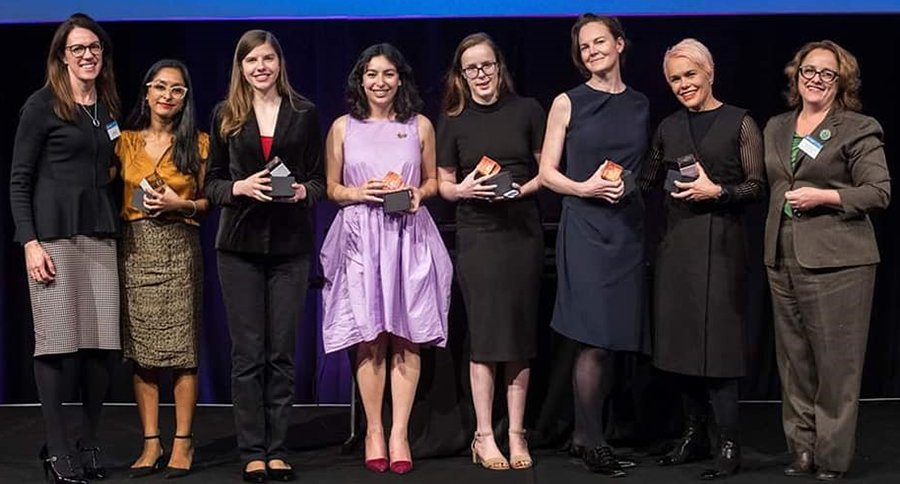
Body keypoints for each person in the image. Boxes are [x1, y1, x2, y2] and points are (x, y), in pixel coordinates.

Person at [320, 43, 452, 475]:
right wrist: (361, 192)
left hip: (407, 236)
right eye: (372, 74)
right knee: (370, 335)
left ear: (400, 79)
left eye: (388, 74)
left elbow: (432, 180)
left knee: (407, 334)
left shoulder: (420, 126)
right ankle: (374, 429)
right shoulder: (343, 127)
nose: (380, 82)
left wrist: (418, 192)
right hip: (361, 237)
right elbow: (332, 188)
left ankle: (399, 432)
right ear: (361, 79)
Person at [763, 40, 890, 481]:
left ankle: (832, 458)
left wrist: (827, 196)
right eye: (808, 71)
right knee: (795, 362)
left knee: (836, 365)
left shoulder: (857, 127)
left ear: (841, 82)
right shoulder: (777, 127)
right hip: (782, 257)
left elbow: (878, 192)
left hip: (840, 262)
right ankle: (801, 450)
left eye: (827, 73)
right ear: (796, 76)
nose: (815, 79)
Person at [639, 38, 765, 480]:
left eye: (689, 75)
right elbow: (647, 180)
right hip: (677, 247)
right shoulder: (669, 126)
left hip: (722, 245)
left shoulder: (740, 123)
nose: (682, 85)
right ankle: (694, 436)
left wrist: (720, 192)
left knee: (719, 346)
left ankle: (728, 442)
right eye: (674, 79)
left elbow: (757, 186)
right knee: (681, 345)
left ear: (709, 72)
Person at [204, 29, 325, 483]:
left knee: (281, 353)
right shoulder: (225, 115)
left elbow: (318, 181)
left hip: (291, 248)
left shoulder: (304, 112)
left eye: (268, 59)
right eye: (251, 60)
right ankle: (252, 449)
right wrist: (239, 186)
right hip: (238, 249)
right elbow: (211, 182)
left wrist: (300, 193)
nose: (261, 67)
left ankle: (278, 449)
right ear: (240, 67)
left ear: (280, 64)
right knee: (248, 354)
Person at [9, 12, 120, 484]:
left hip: (99, 236)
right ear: (62, 56)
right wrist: (29, 242)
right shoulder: (41, 105)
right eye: (78, 48)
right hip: (52, 238)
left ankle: (88, 442)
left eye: (94, 47)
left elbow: (109, 169)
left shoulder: (108, 107)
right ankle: (57, 452)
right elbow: (19, 180)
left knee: (100, 350)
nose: (88, 55)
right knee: (57, 347)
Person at [539, 14, 649, 477]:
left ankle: (585, 436)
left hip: (627, 229)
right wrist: (584, 189)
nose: (591, 52)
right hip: (584, 227)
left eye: (599, 42)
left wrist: (631, 188)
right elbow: (547, 171)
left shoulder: (642, 103)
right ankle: (593, 440)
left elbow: (643, 168)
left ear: (620, 44)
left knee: (613, 341)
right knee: (592, 336)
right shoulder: (568, 102)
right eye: (584, 47)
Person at [436, 32, 544, 471]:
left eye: (487, 65)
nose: (480, 74)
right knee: (484, 338)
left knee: (518, 336)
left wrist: (522, 189)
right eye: (471, 68)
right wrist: (460, 189)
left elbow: (548, 171)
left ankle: (516, 434)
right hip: (478, 236)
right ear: (461, 75)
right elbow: (442, 182)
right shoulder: (453, 119)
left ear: (499, 67)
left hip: (521, 233)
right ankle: (484, 435)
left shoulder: (529, 110)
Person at [116, 59, 208, 479]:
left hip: (179, 248)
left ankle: (183, 442)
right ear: (147, 92)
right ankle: (151, 442)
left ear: (185, 98)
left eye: (177, 89)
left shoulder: (201, 144)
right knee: (143, 355)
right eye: (160, 87)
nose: (167, 96)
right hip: (136, 250)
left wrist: (181, 204)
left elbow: (211, 200)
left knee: (183, 352)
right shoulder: (125, 140)